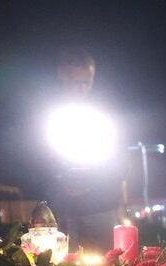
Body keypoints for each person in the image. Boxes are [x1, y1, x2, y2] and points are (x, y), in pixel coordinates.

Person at [44, 47, 124, 253]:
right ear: (62, 75)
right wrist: (60, 178)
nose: (81, 88)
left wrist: (94, 181)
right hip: (62, 208)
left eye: (86, 82)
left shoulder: (104, 114)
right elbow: (36, 160)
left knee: (106, 263)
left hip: (99, 206)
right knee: (62, 265)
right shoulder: (47, 114)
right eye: (75, 82)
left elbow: (119, 162)